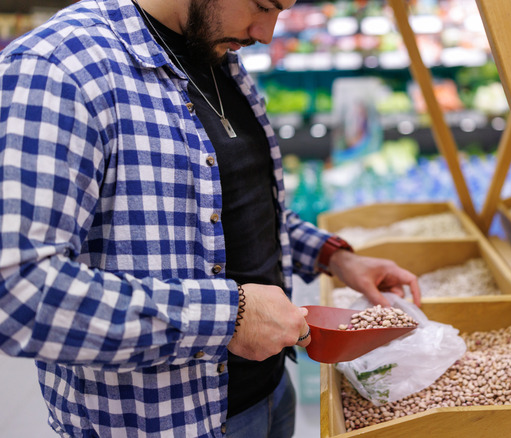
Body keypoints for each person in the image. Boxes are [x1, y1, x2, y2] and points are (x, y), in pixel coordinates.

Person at [0, 0, 422, 436]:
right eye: (263, 5)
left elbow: (233, 207)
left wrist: (333, 257)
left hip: (271, 392)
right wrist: (229, 318)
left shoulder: (216, 53)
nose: (267, 33)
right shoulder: (56, 69)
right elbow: (17, 291)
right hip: (162, 422)